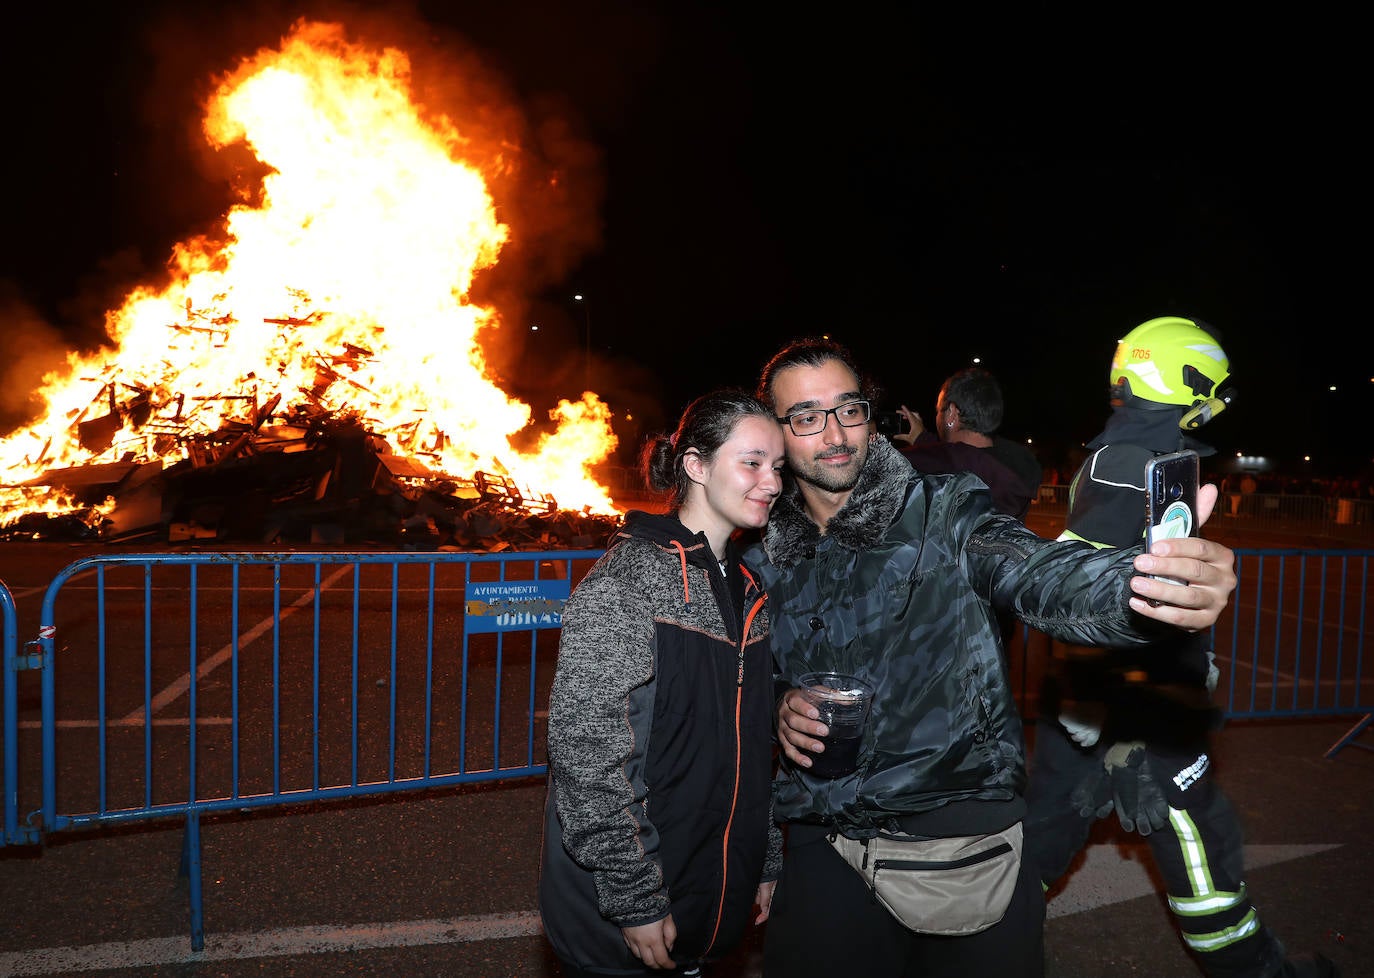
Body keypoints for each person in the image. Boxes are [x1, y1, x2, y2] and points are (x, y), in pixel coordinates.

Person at [743, 336, 1240, 978]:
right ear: (778, 434)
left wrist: (1142, 590)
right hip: (823, 843)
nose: (835, 432)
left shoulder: (944, 511)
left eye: (849, 409)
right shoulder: (762, 553)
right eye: (807, 417)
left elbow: (1038, 574)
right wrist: (779, 706)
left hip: (959, 838)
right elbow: (744, 685)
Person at [1023, 316, 1339, 978]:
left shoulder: (1120, 452)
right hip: (1139, 709)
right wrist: (1126, 725)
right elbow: (1071, 592)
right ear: (1193, 381)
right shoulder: (1141, 464)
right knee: (1205, 851)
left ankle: (972, 954)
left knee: (1040, 846)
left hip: (1091, 706)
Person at [539, 388, 786, 976]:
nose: (772, 483)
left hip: (715, 891)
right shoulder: (627, 582)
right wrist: (634, 896)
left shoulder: (750, 588)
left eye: (777, 466)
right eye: (751, 462)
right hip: (631, 916)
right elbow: (585, 754)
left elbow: (755, 747)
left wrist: (763, 856)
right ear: (696, 466)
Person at [893, 366, 1043, 521]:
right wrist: (921, 439)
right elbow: (965, 458)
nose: (937, 417)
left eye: (939, 410)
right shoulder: (1013, 470)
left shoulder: (945, 467)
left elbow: (946, 458)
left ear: (951, 413)